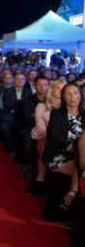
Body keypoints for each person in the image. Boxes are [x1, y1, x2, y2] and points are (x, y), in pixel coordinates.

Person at [44, 82, 82, 216]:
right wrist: (73, 148)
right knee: (81, 167)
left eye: (76, 93)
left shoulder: (84, 115)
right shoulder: (57, 114)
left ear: (81, 95)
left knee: (81, 163)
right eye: (68, 93)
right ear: (63, 97)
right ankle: (72, 192)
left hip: (79, 156)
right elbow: (53, 137)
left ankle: (72, 193)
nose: (73, 97)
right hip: (59, 155)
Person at [29, 80, 63, 197]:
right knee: (46, 147)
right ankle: (40, 178)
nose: (61, 91)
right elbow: (41, 128)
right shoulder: (42, 106)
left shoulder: (67, 108)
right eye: (58, 88)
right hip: (43, 137)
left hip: (60, 140)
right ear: (52, 90)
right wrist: (54, 138)